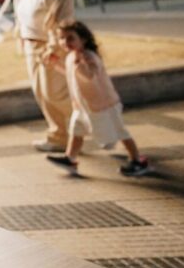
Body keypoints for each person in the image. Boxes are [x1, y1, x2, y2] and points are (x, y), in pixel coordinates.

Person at [46, 22, 151, 177]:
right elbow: (72, 74)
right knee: (76, 131)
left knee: (120, 131)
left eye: (70, 38)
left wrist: (79, 63)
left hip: (104, 105)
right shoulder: (71, 57)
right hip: (82, 106)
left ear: (84, 39)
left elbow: (89, 76)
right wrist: (56, 64)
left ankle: (137, 160)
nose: (65, 42)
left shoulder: (89, 56)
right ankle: (70, 158)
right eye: (61, 38)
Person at [13, 0, 76, 152]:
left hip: (49, 48)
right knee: (41, 94)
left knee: (54, 93)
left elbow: (63, 23)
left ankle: (89, 117)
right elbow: (22, 18)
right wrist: (22, 38)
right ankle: (58, 136)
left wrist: (53, 48)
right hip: (32, 48)